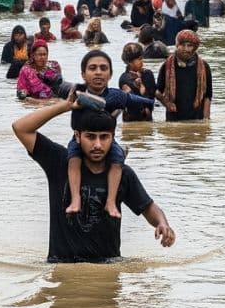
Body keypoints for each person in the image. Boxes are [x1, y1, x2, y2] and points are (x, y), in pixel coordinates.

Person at [11, 93, 175, 263]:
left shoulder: (122, 173)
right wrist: (65, 106)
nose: (97, 145)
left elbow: (148, 207)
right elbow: (20, 128)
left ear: (112, 137)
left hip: (108, 268)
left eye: (104, 137)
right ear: (77, 136)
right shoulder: (59, 163)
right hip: (61, 266)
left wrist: (162, 223)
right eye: (90, 136)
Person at [65, 50, 154, 219]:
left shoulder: (117, 96)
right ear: (83, 74)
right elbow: (55, 91)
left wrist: (149, 102)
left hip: (107, 141)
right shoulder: (76, 92)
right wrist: (69, 105)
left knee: (117, 161)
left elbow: (137, 101)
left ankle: (111, 202)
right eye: (92, 68)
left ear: (111, 74)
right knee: (73, 160)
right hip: (79, 139)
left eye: (103, 68)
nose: (98, 72)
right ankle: (75, 199)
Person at [156, 30, 212, 122]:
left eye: (189, 46)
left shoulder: (204, 66)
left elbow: (208, 96)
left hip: (197, 119)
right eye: (182, 45)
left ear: (194, 48)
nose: (185, 49)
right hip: (173, 119)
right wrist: (167, 103)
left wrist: (206, 119)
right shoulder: (167, 66)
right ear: (177, 45)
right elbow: (157, 91)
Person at [118, 43, 156, 122]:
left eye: (142, 58)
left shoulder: (148, 74)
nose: (142, 61)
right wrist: (139, 86)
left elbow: (152, 98)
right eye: (139, 59)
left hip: (147, 118)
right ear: (130, 62)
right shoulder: (124, 79)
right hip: (131, 120)